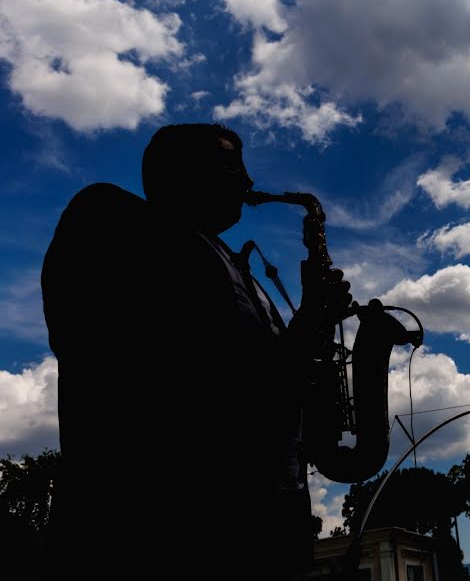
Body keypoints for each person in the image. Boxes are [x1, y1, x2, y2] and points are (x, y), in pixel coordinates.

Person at [41, 123, 351, 579]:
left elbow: (268, 393)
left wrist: (313, 354)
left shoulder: (238, 268)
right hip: (161, 535)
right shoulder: (108, 218)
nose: (246, 183)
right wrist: (305, 331)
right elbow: (186, 388)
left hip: (263, 535)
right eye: (230, 167)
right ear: (175, 173)